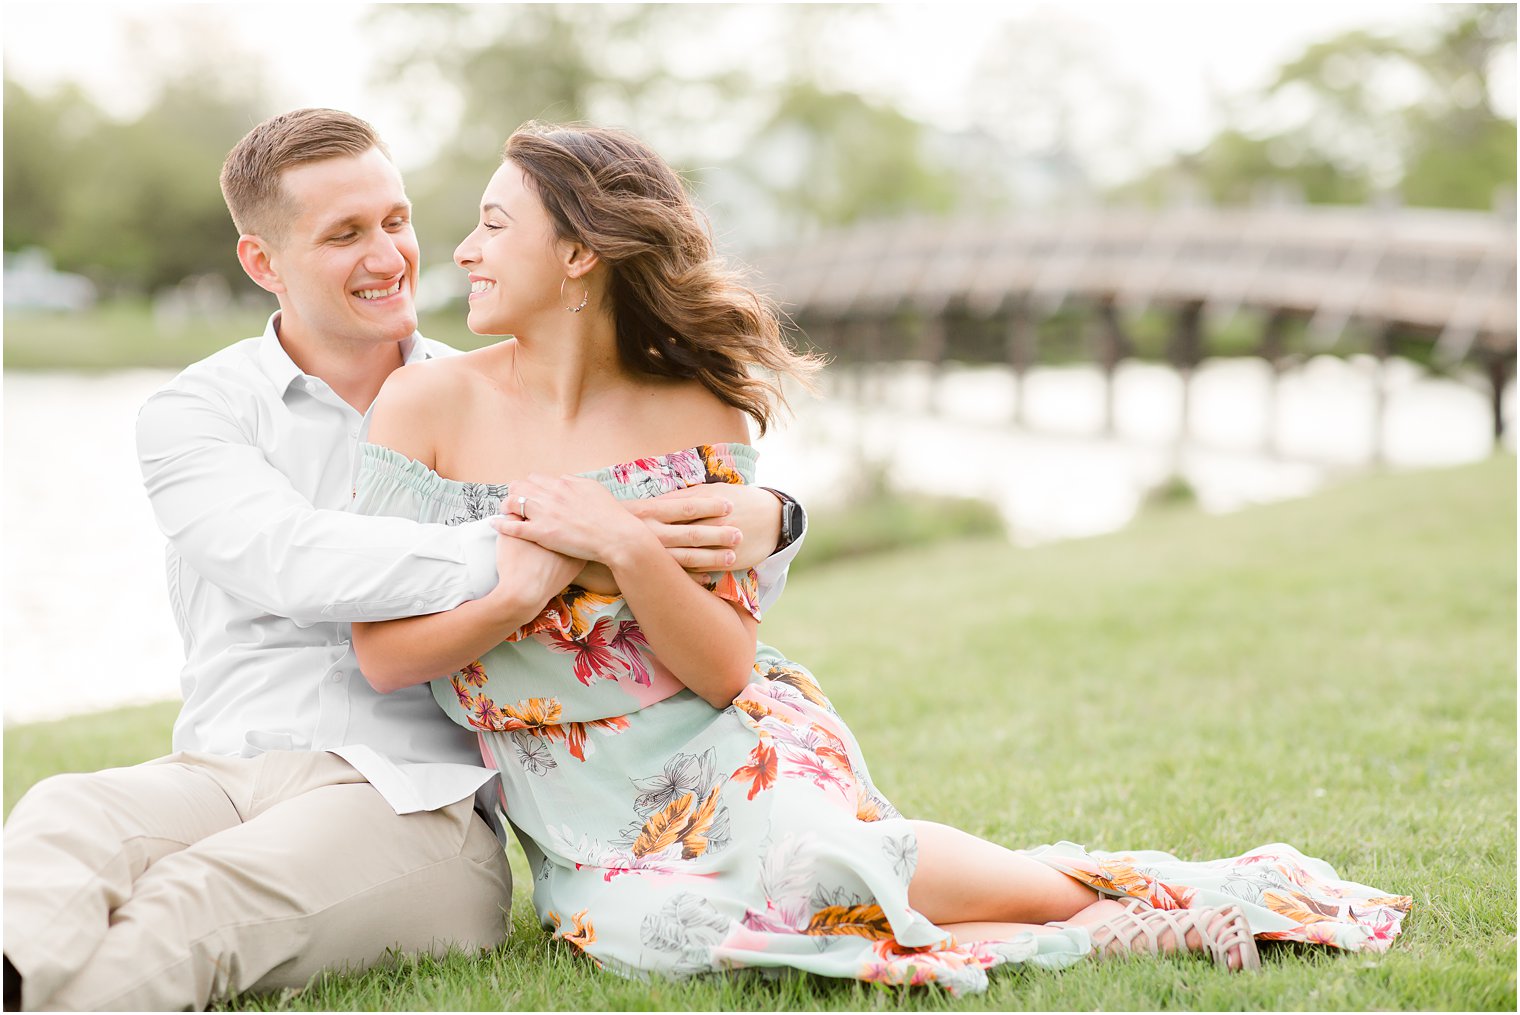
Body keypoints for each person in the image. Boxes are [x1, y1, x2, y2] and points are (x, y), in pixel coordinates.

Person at [348, 122, 1412, 995]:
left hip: (727, 738)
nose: (464, 251)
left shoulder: (695, 407)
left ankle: (1127, 920)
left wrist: (626, 546)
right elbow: (386, 655)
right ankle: (1095, 902)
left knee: (824, 867)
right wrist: (525, 587)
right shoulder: (425, 406)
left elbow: (720, 669)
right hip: (578, 811)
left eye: (492, 225)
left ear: (578, 254)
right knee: (665, 936)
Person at [1, 109, 805, 1012]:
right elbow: (297, 562)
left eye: (396, 220)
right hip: (223, 770)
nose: (389, 256)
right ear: (263, 264)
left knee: (192, 906)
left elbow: (682, 552)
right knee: (62, 817)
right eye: (345, 234)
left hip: (419, 796)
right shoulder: (196, 415)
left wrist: (778, 517)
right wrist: (545, 544)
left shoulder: (489, 396)